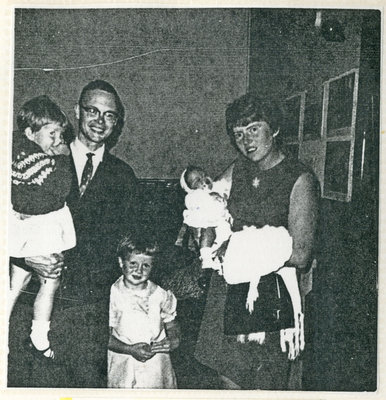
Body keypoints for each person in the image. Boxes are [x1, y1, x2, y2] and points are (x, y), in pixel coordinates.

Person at [13, 80, 139, 387]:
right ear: (76, 112)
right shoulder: (37, 158)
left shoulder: (124, 177)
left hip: (87, 314)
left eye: (109, 115)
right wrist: (26, 257)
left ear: (117, 122)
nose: (99, 120)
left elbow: (129, 247)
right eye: (92, 110)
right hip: (30, 304)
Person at [194, 93, 319, 390]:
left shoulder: (299, 178)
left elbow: (300, 254)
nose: (246, 141)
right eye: (238, 134)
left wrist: (236, 250)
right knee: (227, 382)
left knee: (262, 386)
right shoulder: (238, 169)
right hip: (227, 291)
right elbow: (207, 207)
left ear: (274, 128)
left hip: (269, 298)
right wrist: (203, 231)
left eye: (253, 129)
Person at [9, 95, 76, 360]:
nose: (59, 140)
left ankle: (32, 333)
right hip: (37, 227)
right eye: (52, 134)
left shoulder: (16, 148)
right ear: (30, 133)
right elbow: (61, 186)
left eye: (61, 133)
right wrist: (62, 157)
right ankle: (39, 335)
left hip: (28, 228)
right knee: (49, 281)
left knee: (16, 283)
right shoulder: (36, 161)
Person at [107, 231, 180, 388]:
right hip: (124, 364)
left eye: (145, 265)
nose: (139, 271)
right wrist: (129, 349)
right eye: (133, 263)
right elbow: (103, 336)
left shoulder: (161, 294)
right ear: (121, 262)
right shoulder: (112, 295)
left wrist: (174, 339)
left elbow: (171, 323)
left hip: (157, 367)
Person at [175, 165, 232, 270]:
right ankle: (206, 258)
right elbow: (195, 206)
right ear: (190, 188)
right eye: (197, 181)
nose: (203, 180)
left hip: (222, 221)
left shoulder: (216, 188)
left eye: (204, 175)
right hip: (207, 222)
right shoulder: (193, 196)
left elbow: (225, 200)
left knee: (227, 236)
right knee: (207, 233)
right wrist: (209, 197)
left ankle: (221, 263)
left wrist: (220, 197)